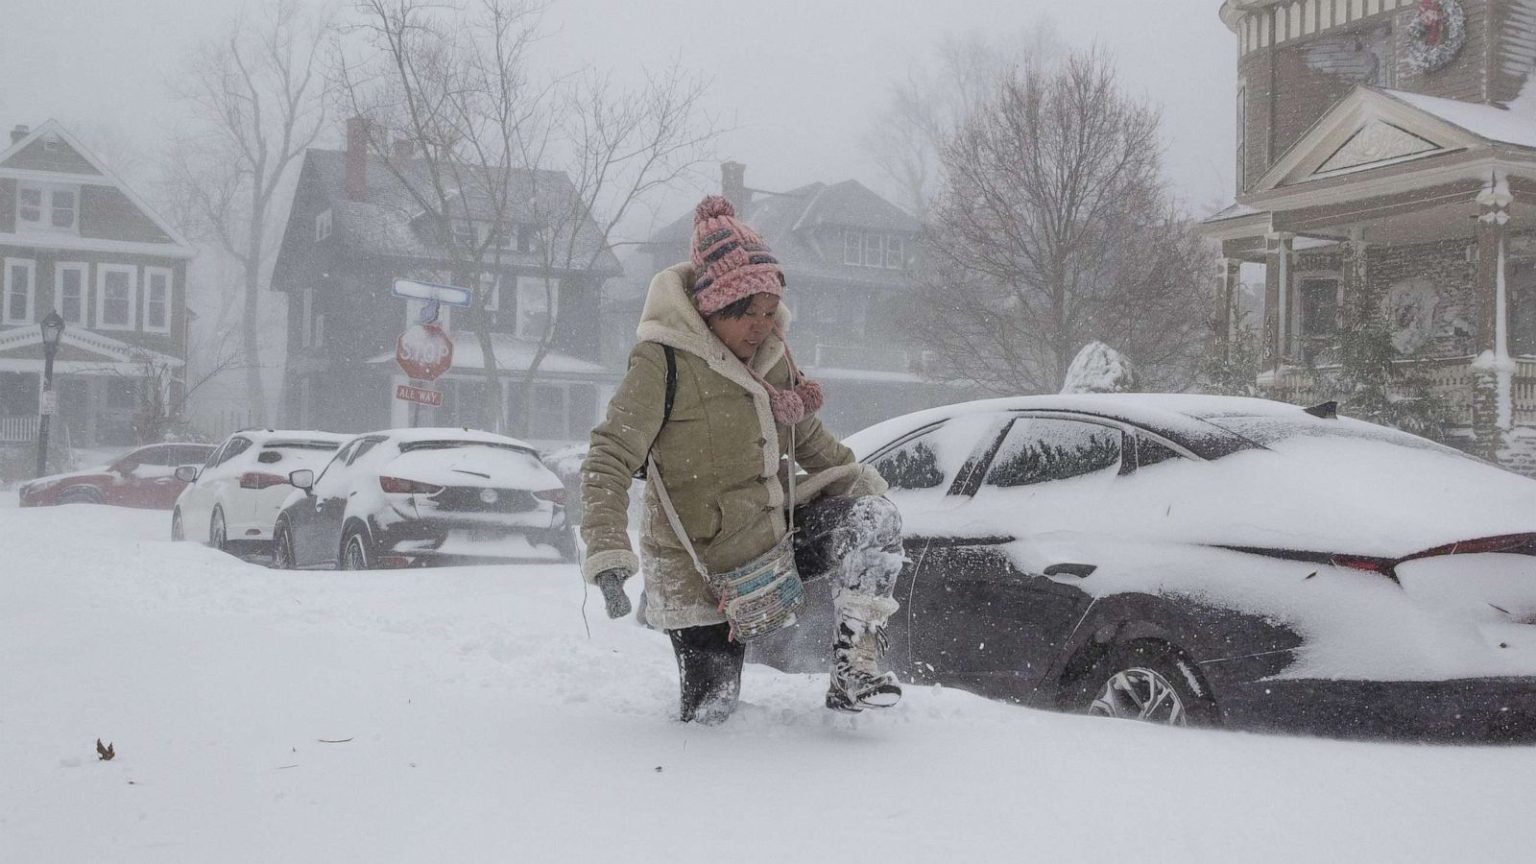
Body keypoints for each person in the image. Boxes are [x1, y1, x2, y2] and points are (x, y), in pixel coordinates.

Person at [580, 196, 905, 724]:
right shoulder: (662, 360)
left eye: (769, 311)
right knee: (713, 717)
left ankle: (856, 669)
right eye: (745, 313)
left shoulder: (773, 360)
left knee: (873, 516)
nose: (761, 326)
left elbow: (814, 444)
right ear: (712, 308)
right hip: (700, 568)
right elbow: (609, 457)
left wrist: (875, 490)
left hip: (773, 541)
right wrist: (609, 552)